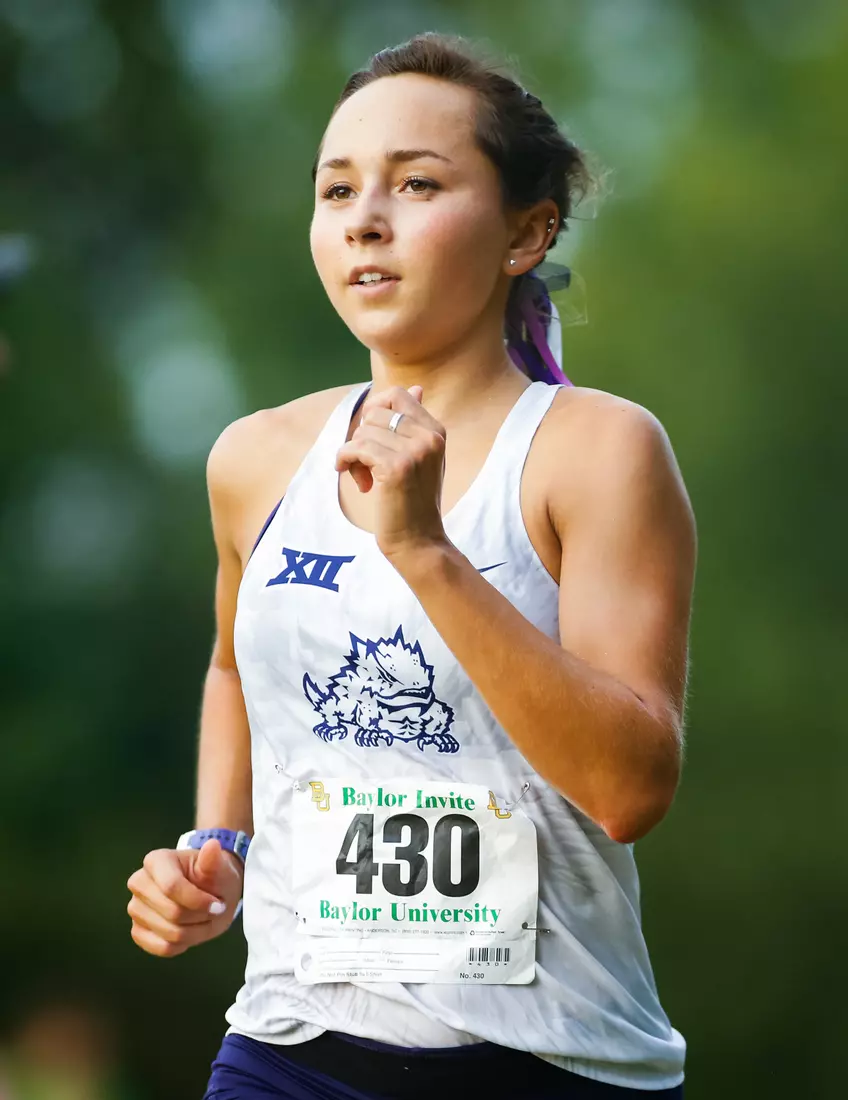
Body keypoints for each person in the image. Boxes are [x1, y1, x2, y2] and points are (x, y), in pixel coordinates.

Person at [126, 32, 695, 1100]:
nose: (364, 220)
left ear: (527, 232)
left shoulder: (599, 450)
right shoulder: (255, 457)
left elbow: (628, 786)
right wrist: (215, 844)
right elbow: (234, 668)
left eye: (416, 183)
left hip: (551, 1058)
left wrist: (423, 550)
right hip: (288, 1045)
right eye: (336, 189)